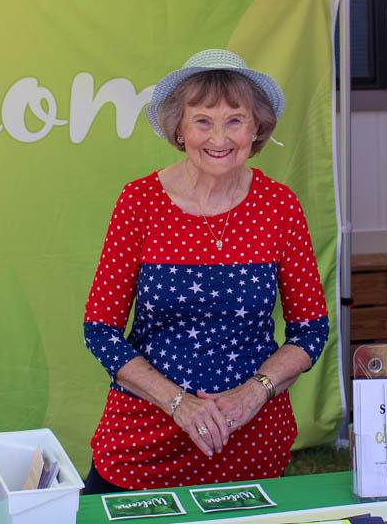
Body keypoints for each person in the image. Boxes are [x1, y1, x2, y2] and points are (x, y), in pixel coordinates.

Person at [82, 49, 331, 493]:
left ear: (256, 129)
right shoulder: (139, 202)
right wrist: (179, 403)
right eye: (203, 121)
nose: (219, 137)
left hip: (251, 438)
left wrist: (253, 393)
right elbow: (100, 330)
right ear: (179, 128)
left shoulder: (280, 206)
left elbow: (310, 330)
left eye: (235, 120)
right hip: (146, 435)